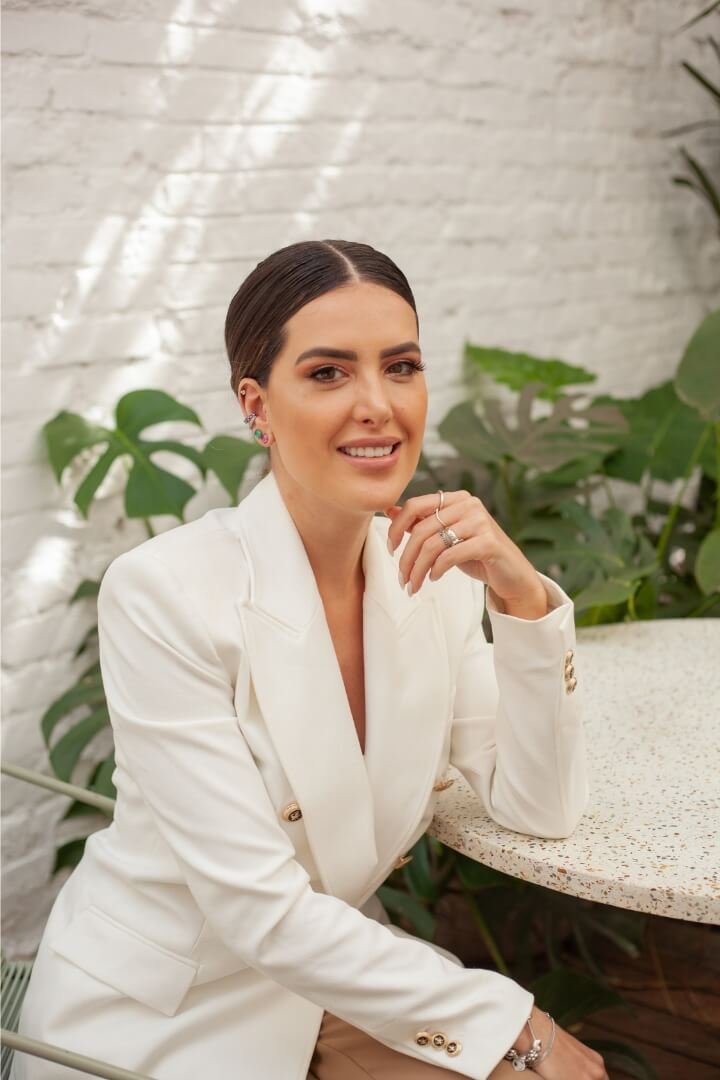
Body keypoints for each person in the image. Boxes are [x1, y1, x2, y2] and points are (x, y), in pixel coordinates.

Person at [14, 240, 607, 1080]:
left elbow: (540, 804)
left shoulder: (434, 580)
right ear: (256, 405)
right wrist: (519, 1019)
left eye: (401, 367)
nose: (378, 406)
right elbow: (262, 913)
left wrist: (523, 600)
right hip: (168, 1014)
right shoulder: (163, 594)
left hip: (328, 985)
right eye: (329, 373)